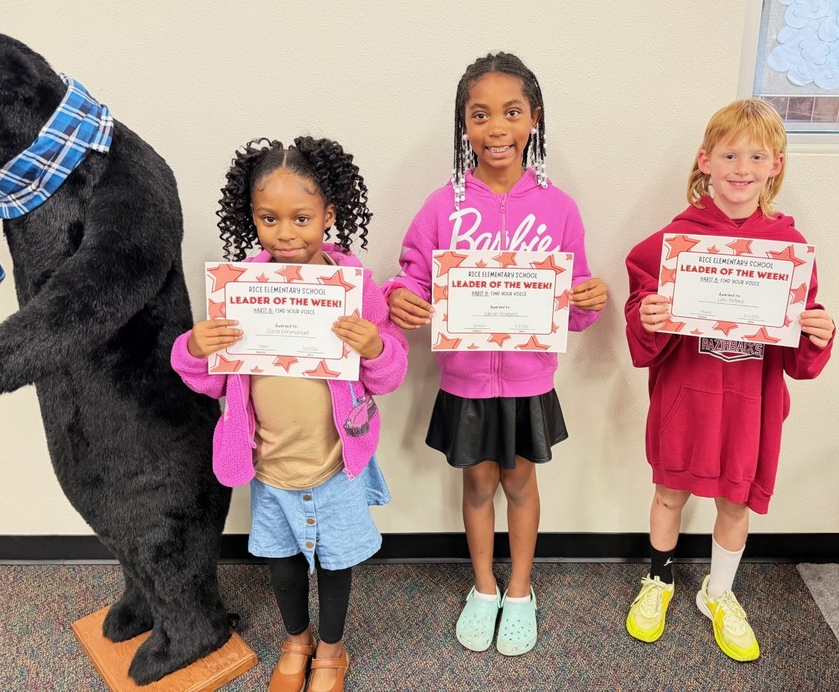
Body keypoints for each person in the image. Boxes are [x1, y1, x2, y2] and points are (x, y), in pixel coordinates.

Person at [384, 52, 608, 656]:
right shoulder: (441, 206)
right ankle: (483, 588)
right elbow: (411, 277)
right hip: (466, 382)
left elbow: (575, 301)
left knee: (521, 483)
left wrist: (589, 299)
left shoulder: (558, 207)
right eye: (479, 115)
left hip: (530, 380)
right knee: (478, 483)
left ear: (534, 119)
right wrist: (400, 298)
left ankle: (520, 590)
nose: (496, 128)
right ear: (464, 127)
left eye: (511, 112)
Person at [171, 136, 407, 692]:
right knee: (281, 563)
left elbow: (389, 376)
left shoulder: (357, 288)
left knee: (335, 562)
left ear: (329, 215)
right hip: (269, 464)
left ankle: (331, 649)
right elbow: (208, 381)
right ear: (250, 218)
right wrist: (194, 348)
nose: (285, 232)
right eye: (268, 218)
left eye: (302, 217)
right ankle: (296, 639)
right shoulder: (239, 288)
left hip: (336, 462)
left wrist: (374, 346)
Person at [623, 98, 835, 662]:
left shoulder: (790, 250)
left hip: (751, 403)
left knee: (735, 503)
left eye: (756, 156)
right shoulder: (672, 243)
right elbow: (643, 322)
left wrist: (818, 332)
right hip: (686, 397)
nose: (742, 167)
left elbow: (799, 356)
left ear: (776, 166)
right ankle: (660, 580)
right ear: (705, 162)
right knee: (669, 492)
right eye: (729, 154)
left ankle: (718, 593)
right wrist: (646, 317)